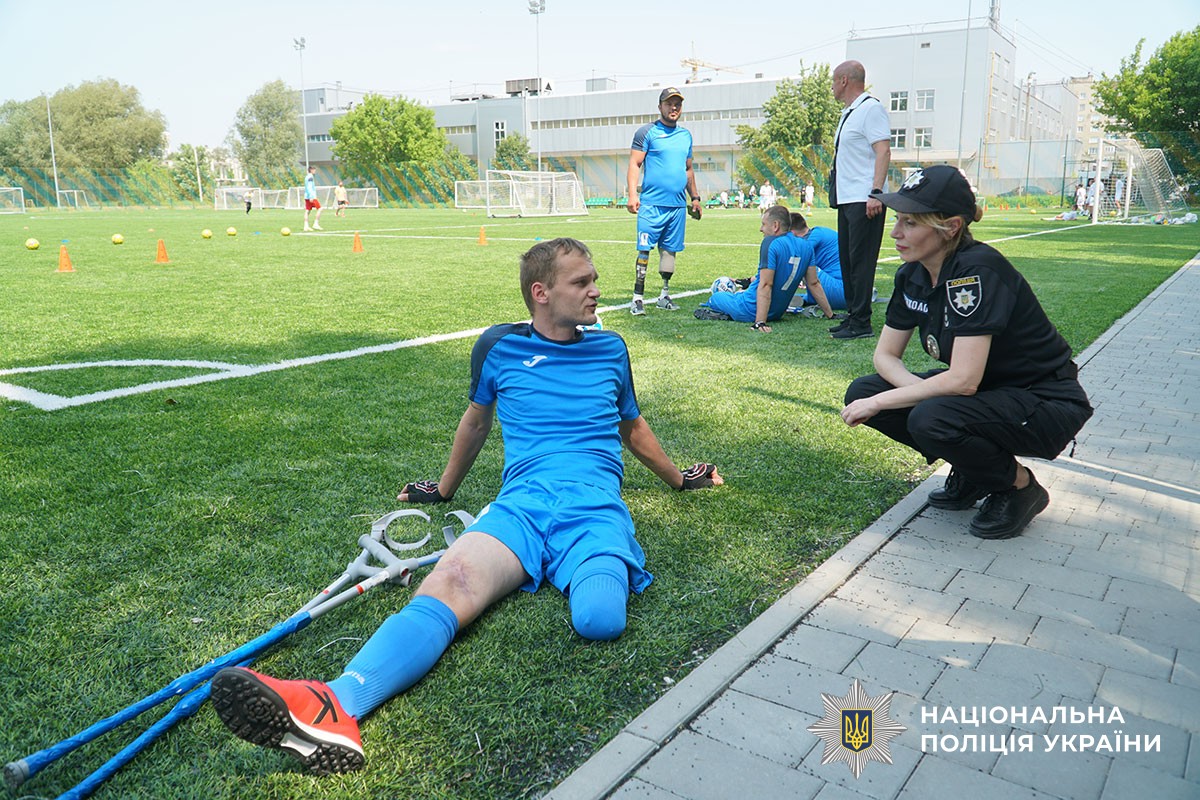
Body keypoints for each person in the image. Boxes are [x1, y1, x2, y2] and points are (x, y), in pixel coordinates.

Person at [210, 237, 723, 774]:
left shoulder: (611, 348)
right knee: (451, 579)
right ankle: (337, 702)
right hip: (521, 507)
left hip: (593, 510)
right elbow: (476, 423)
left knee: (600, 618)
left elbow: (632, 426)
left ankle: (564, 565)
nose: (596, 290)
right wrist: (443, 489)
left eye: (593, 279)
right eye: (582, 282)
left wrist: (679, 480)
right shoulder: (498, 348)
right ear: (541, 293)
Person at [841, 166, 1093, 540]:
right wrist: (905, 394)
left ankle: (1019, 487)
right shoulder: (912, 273)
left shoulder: (976, 271)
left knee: (928, 416)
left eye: (910, 223)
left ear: (951, 227)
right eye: (897, 219)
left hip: (1043, 400)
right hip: (988, 394)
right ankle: (976, 470)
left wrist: (891, 403)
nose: (895, 232)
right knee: (864, 391)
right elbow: (885, 357)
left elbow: (962, 381)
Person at [828, 60, 891, 341]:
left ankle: (862, 322)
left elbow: (883, 151)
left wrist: (876, 192)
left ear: (844, 80)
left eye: (833, 81)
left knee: (862, 261)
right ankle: (854, 315)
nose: (832, 87)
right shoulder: (849, 113)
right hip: (847, 198)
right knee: (848, 261)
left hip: (865, 198)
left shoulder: (870, 109)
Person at [626, 87, 702, 316]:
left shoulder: (685, 136)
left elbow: (688, 170)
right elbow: (635, 164)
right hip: (651, 205)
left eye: (677, 104)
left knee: (669, 252)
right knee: (644, 250)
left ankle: (664, 295)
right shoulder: (646, 132)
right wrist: (632, 194)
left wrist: (695, 198)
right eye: (669, 103)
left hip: (677, 206)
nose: (674, 107)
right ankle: (637, 299)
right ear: (660, 106)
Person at [694, 204, 814, 333]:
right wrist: (828, 314)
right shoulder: (805, 245)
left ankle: (729, 311)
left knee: (717, 297)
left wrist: (760, 322)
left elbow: (766, 284)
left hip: (749, 309)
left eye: (763, 224)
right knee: (747, 291)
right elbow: (814, 283)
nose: (761, 229)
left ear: (775, 226)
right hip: (776, 313)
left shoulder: (770, 242)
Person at [790, 212, 845, 321]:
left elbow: (790, 262)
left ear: (791, 233)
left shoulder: (811, 239)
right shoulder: (820, 231)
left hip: (840, 291)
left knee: (802, 264)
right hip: (848, 290)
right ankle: (805, 299)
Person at [303, 166, 323, 231]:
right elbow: (309, 187)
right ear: (311, 170)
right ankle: (315, 224)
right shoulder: (310, 177)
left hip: (307, 196)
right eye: (314, 169)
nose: (315, 171)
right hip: (311, 196)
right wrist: (311, 196)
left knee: (307, 210)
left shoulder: (307, 177)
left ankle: (306, 226)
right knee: (320, 209)